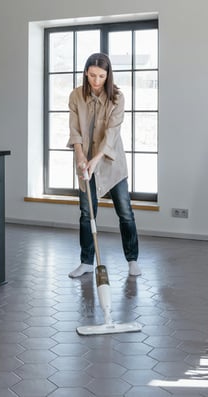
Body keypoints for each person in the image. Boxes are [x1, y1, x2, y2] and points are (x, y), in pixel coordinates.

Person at [67, 52, 141, 278]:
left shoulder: (117, 98)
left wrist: (95, 160)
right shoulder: (76, 95)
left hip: (110, 162)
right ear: (85, 73)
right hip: (84, 164)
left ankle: (132, 260)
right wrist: (80, 156)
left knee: (125, 212)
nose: (96, 81)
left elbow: (111, 134)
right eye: (91, 75)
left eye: (100, 76)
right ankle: (86, 262)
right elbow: (74, 130)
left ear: (108, 75)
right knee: (86, 213)